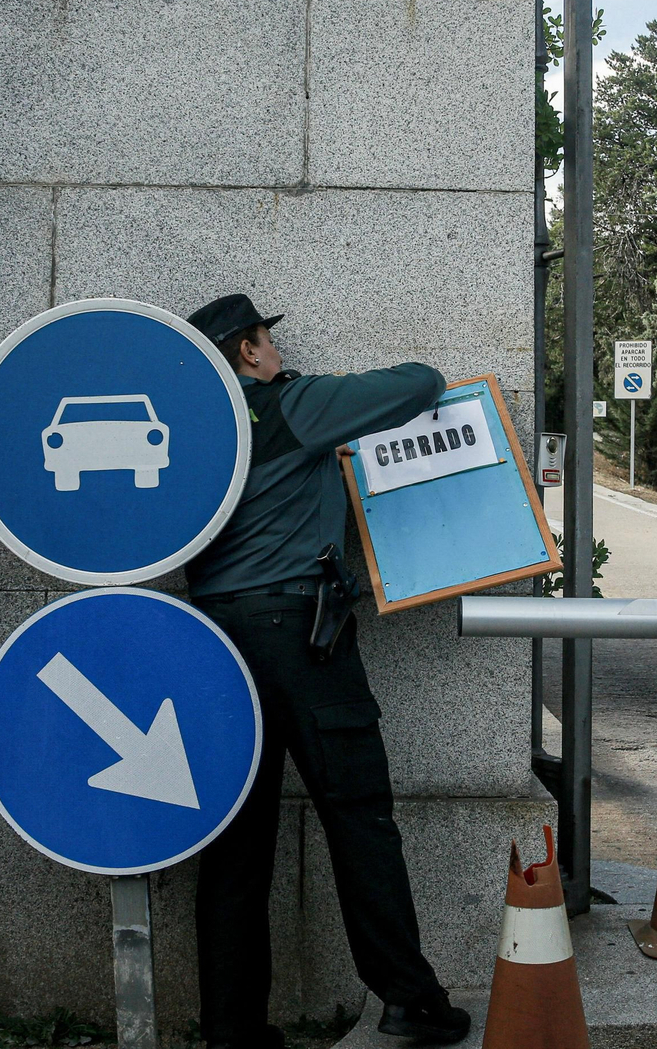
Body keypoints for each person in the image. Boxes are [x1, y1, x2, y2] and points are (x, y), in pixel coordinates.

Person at [183, 293, 471, 1048]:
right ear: (249, 351)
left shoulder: (192, 431)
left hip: (212, 642)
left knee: (235, 841)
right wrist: (311, 395)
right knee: (358, 815)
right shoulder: (289, 406)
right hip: (300, 638)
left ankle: (233, 1032)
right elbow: (421, 383)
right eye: (267, 340)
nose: (276, 351)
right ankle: (408, 998)